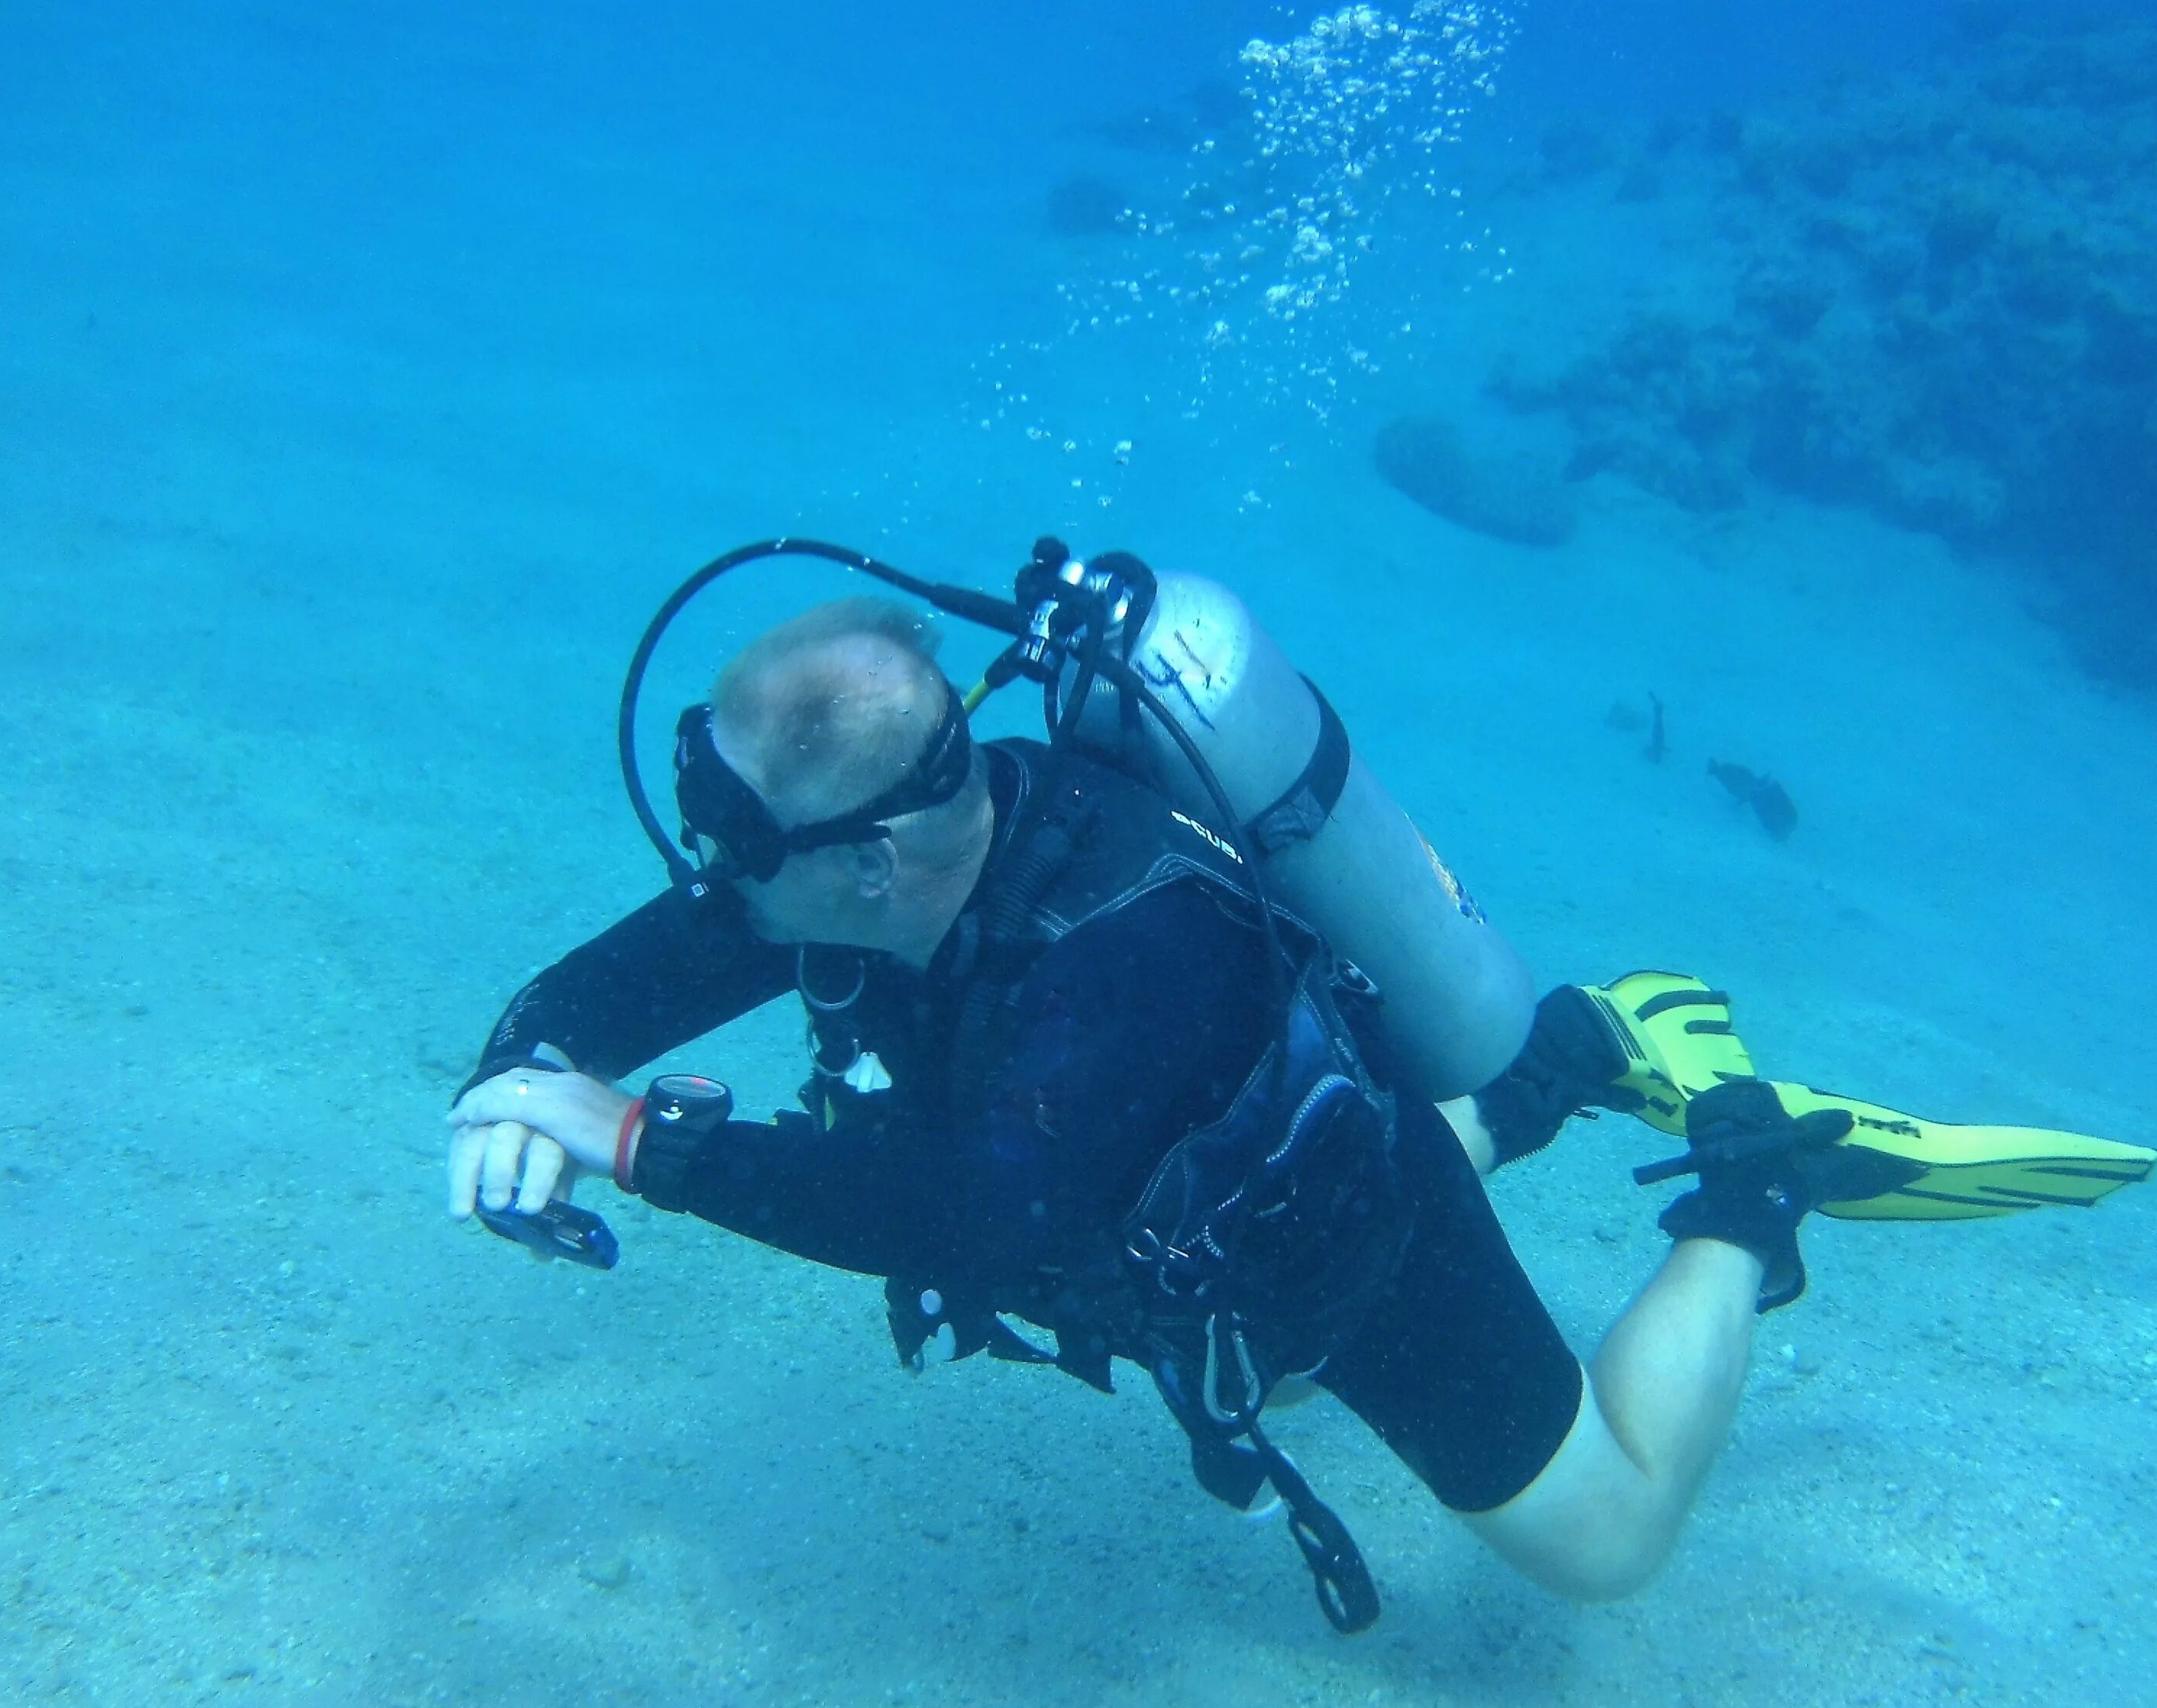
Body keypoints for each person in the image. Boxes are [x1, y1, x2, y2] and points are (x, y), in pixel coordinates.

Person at [439, 599, 1936, 1616]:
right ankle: (1549, 1072)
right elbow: (577, 1013)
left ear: (869, 862)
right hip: (1188, 1243)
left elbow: (985, 1215)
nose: (712, 879)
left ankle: (1749, 1194)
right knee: (1255, 1358)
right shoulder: (844, 859)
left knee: (1603, 1545)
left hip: (1356, 1251)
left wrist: (635, 1142)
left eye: (733, 841)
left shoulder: (1121, 957)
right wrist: (519, 1100)